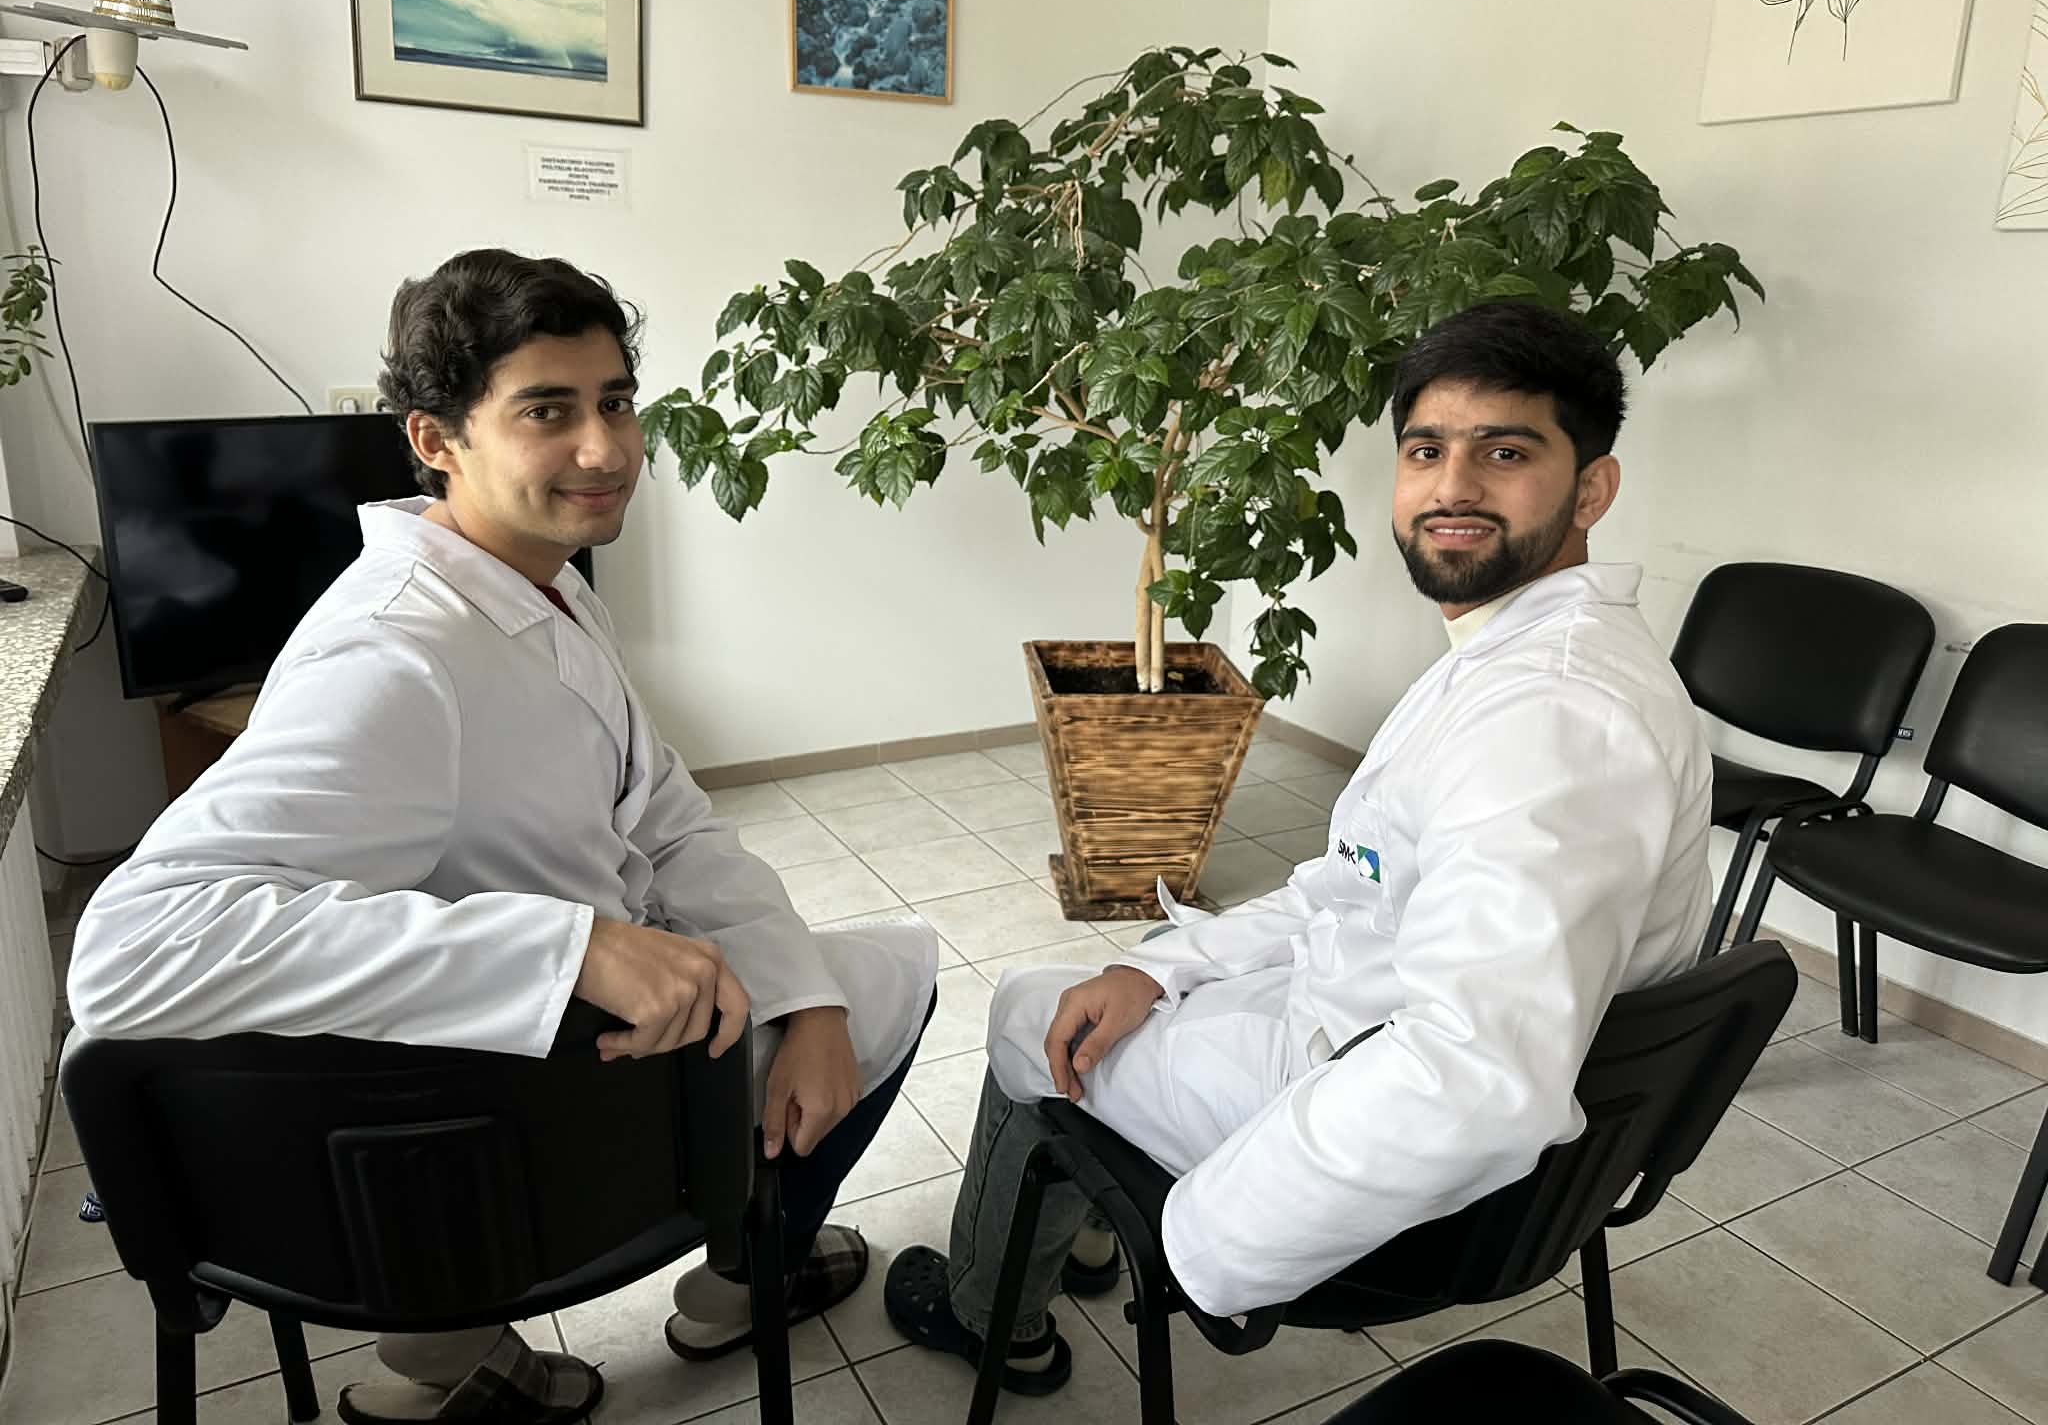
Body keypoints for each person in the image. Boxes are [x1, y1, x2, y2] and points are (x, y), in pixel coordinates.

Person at [68, 249, 939, 1425]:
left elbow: (669, 817)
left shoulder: (546, 584)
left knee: (833, 992)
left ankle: (455, 1357)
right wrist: (570, 947)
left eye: (615, 402)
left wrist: (807, 1000)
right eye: (546, 411)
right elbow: (128, 950)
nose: (605, 449)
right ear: (435, 440)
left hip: (494, 1118)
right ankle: (750, 1272)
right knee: (905, 967)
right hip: (545, 1121)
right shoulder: (391, 655)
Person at [881, 299, 1714, 1393]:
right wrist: (1159, 967)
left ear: (1591, 488)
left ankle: (997, 1316)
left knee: (1027, 1012)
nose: (1454, 486)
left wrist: (1199, 1238)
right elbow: (1349, 887)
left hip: (1367, 1107)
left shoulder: (1549, 719)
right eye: (1426, 450)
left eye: (1506, 452)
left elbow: (1471, 1078)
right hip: (1372, 1031)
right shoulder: (1526, 659)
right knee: (1131, 979)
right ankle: (1076, 1231)